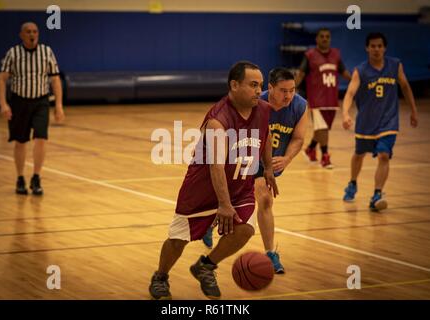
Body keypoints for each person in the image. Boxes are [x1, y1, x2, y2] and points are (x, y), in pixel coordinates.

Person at [149, 61, 278, 300]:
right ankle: (160, 276)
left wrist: (268, 167)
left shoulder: (262, 109)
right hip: (203, 189)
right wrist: (224, 204)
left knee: (245, 230)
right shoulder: (218, 119)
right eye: (252, 85)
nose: (258, 90)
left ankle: (205, 266)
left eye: (260, 85)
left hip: (240, 186)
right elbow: (215, 166)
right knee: (178, 240)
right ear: (234, 85)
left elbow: (266, 134)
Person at [203, 68, 307, 274]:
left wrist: (286, 159)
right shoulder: (256, 102)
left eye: (292, 90)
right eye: (283, 90)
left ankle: (212, 222)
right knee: (265, 199)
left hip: (272, 160)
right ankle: (270, 253)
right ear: (270, 88)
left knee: (243, 199)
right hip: (246, 153)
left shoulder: (300, 106)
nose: (288, 95)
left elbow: (298, 138)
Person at [342, 32, 418, 211]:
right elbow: (350, 93)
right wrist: (345, 113)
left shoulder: (395, 65)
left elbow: (406, 87)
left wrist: (413, 111)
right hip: (366, 123)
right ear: (367, 48)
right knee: (359, 154)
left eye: (379, 46)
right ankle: (352, 183)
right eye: (373, 46)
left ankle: (377, 193)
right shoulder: (360, 70)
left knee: (384, 155)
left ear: (385, 48)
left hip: (388, 122)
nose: (376, 49)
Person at [0, 22, 65, 195]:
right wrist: (3, 104)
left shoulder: (46, 52)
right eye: (28, 32)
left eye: (35, 31)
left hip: (41, 101)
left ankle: (36, 177)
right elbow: (2, 80)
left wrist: (58, 105)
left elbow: (55, 79)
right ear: (21, 35)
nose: (32, 34)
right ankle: (20, 178)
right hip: (19, 102)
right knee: (21, 141)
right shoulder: (13, 53)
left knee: (41, 138)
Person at [296, 27, 351, 169]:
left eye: (327, 36)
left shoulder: (336, 55)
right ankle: (325, 157)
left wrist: (357, 82)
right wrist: (291, 91)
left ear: (330, 39)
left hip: (332, 99)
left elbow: (344, 72)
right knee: (323, 129)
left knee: (322, 129)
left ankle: (310, 149)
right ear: (317, 39)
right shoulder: (310, 55)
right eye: (322, 36)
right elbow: (301, 74)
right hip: (316, 100)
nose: (325, 38)